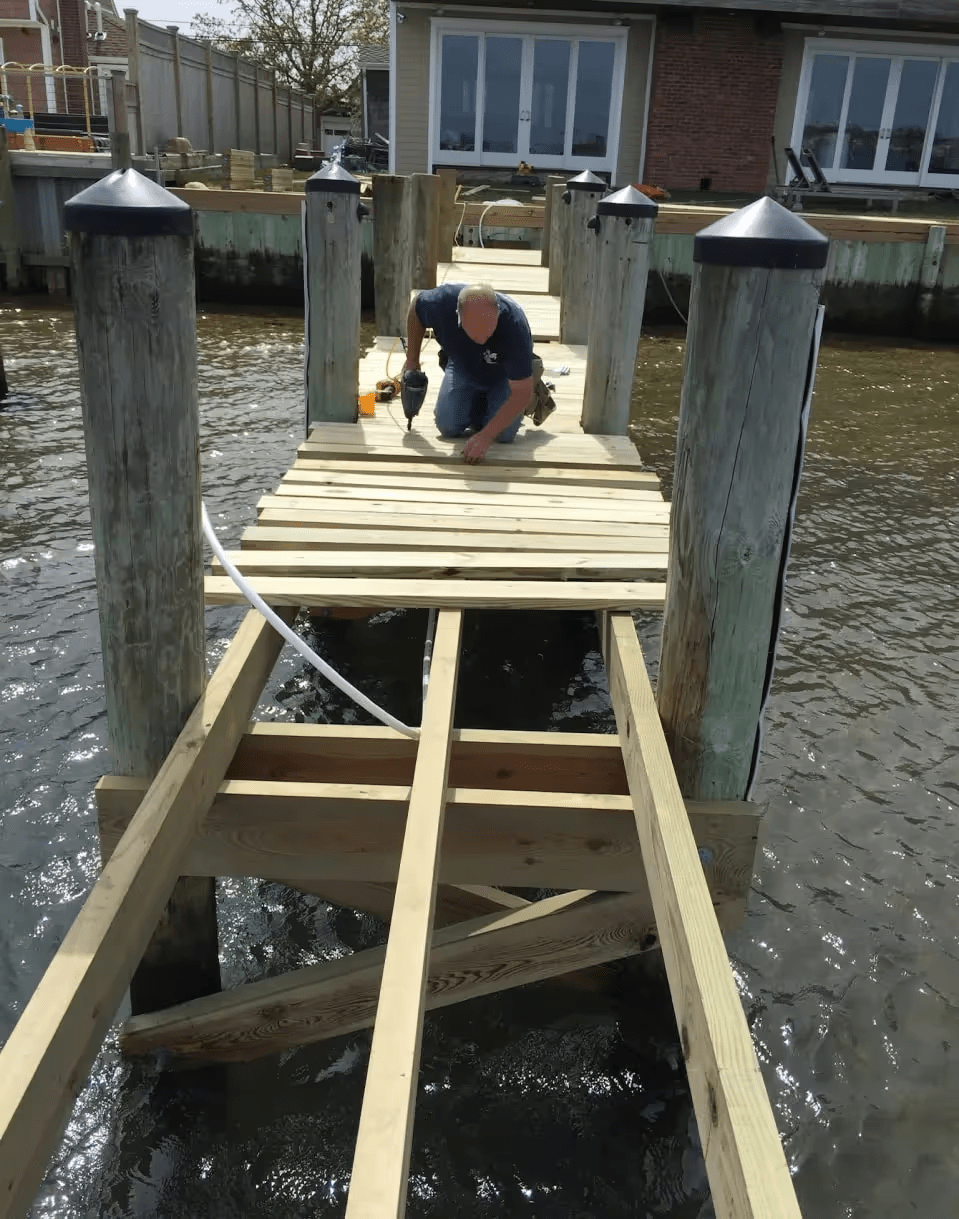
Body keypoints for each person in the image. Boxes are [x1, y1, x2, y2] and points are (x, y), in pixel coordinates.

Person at [404, 282, 534, 465]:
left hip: (503, 372)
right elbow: (416, 309)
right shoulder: (442, 304)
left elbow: (522, 394)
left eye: (488, 330)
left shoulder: (515, 327)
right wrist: (412, 361)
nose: (482, 337)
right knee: (447, 426)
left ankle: (527, 374)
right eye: (475, 332)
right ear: (458, 316)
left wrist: (486, 436)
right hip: (463, 364)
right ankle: (482, 404)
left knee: (504, 435)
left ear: (497, 314)